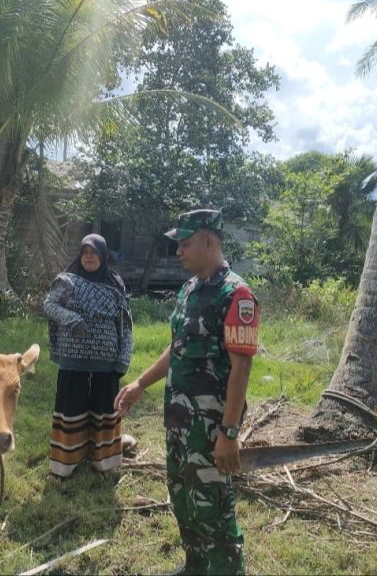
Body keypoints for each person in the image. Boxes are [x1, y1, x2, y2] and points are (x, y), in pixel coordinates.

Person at [115, 209, 259, 575]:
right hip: (179, 422)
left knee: (213, 507)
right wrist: (140, 383)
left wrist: (229, 434)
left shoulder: (236, 295)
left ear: (209, 241)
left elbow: (241, 367)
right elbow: (177, 347)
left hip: (211, 427)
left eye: (186, 243)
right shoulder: (190, 289)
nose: (178, 250)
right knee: (183, 498)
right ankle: (196, 566)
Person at [43, 234, 133, 478]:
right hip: (74, 362)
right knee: (71, 410)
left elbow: (125, 324)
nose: (89, 257)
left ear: (103, 256)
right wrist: (72, 319)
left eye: (94, 252)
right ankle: (66, 464)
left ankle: (103, 462)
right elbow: (49, 306)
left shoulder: (115, 285)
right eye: (85, 252)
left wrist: (123, 358)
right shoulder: (67, 281)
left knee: (104, 412)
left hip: (107, 364)